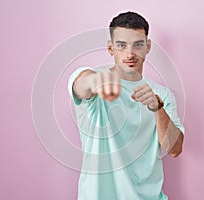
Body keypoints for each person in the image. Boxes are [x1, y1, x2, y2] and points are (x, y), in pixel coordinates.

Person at [68, 11, 185, 200]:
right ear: (110, 48)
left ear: (147, 46)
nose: (130, 54)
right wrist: (96, 82)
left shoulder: (163, 95)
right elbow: (81, 85)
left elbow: (174, 149)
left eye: (138, 45)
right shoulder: (94, 82)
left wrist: (158, 108)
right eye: (121, 46)